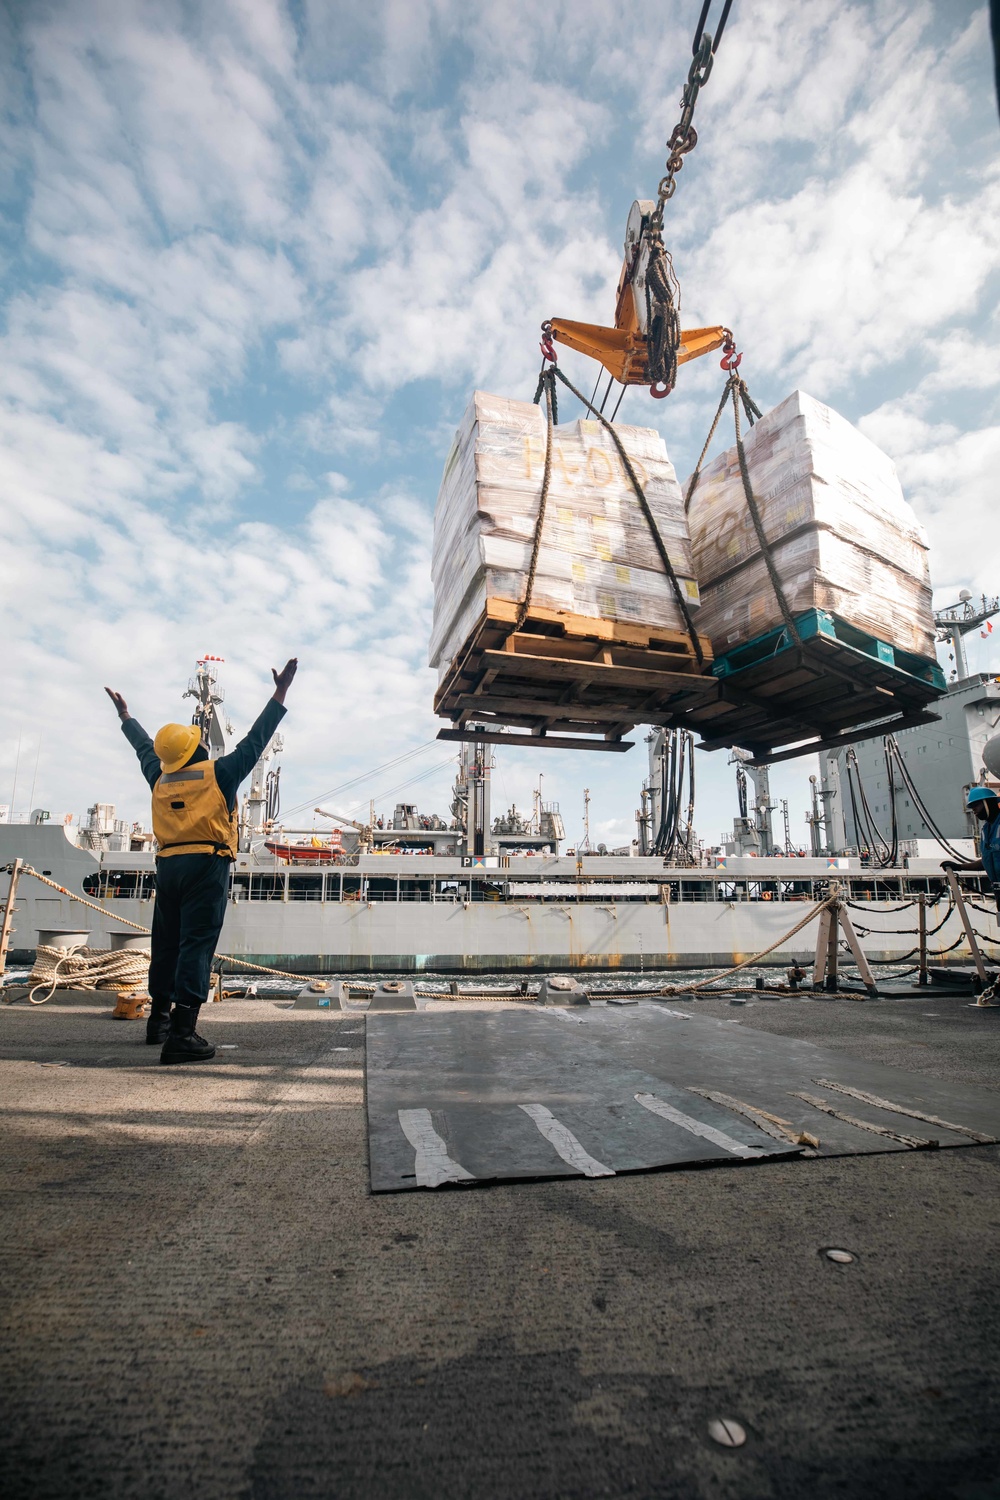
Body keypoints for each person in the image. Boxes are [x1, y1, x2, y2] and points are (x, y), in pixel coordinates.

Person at [104, 659, 298, 1063]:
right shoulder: (220, 773)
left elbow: (143, 747)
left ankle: (157, 1021)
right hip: (206, 866)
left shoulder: (158, 776)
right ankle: (183, 1034)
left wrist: (126, 717)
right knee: (196, 946)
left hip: (168, 866)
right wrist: (280, 693)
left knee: (166, 944)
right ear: (196, 747)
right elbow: (255, 740)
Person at [942, 786, 1000, 915]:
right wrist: (959, 866)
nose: (974, 810)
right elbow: (987, 861)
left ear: (988, 803)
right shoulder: (986, 830)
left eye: (976, 805)